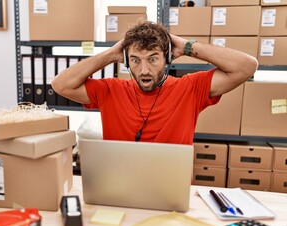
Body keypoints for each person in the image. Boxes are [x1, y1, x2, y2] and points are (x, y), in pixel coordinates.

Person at [51, 21, 258, 144]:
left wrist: (186, 47)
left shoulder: (190, 88)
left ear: (167, 58)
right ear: (126, 60)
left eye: (152, 58)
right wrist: (110, 54)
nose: (144, 70)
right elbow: (61, 85)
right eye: (135, 60)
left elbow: (246, 66)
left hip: (172, 193)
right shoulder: (110, 90)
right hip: (120, 189)